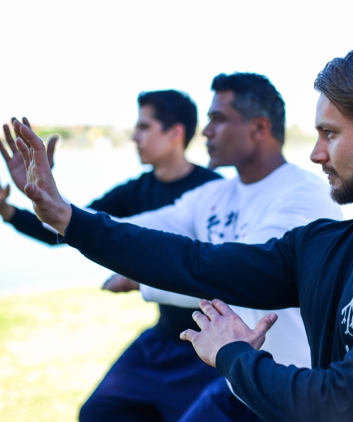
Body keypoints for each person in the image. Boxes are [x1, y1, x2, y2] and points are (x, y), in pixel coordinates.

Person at [15, 43, 353, 421]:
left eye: (330, 134)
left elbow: (344, 405)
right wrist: (67, 218)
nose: (315, 154)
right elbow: (195, 262)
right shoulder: (324, 244)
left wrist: (234, 354)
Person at [0, 90, 223, 422]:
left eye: (144, 127)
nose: (134, 136)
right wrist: (12, 208)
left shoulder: (215, 191)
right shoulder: (136, 190)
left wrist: (139, 281)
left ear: (175, 133)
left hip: (207, 350)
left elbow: (225, 274)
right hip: (161, 339)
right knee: (97, 412)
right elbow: (71, 229)